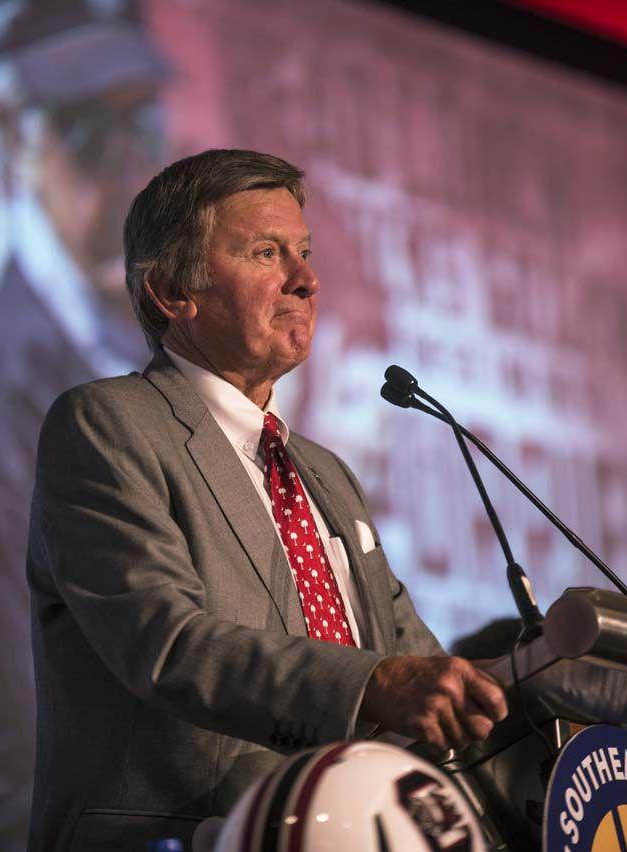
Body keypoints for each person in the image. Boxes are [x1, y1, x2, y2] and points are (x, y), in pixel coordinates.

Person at [27, 149, 507, 851]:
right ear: (170, 291)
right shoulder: (108, 425)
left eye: (305, 253)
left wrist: (531, 687)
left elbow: (415, 665)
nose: (307, 280)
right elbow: (167, 643)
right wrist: (374, 684)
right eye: (266, 252)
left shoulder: (326, 475)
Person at [0, 3, 167, 848]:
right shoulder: (5, 377)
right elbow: (20, 714)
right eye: (89, 134)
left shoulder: (148, 338)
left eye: (141, 125)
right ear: (17, 138)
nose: (128, 165)